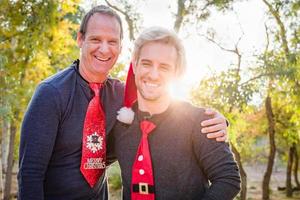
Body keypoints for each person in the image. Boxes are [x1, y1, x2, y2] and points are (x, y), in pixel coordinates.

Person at [18, 5, 229, 200]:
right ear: (80, 39)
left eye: (112, 42)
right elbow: (30, 173)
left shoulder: (122, 94)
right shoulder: (51, 93)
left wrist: (216, 121)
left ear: (120, 47)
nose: (104, 49)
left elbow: (166, 101)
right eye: (95, 39)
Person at [108, 27, 241, 200]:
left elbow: (228, 178)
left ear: (176, 72)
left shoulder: (201, 122)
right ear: (135, 65)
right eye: (147, 63)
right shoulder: (120, 123)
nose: (154, 74)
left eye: (164, 67)